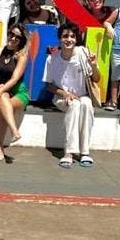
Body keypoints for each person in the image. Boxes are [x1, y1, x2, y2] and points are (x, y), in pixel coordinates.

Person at [44, 23, 101, 168]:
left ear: (76, 39)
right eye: (65, 36)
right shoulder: (52, 59)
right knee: (74, 105)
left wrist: (93, 65)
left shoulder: (83, 54)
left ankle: (85, 152)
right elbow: (48, 85)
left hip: (82, 95)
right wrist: (65, 93)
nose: (69, 39)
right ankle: (69, 152)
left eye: (72, 36)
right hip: (62, 97)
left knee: (86, 104)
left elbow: (96, 79)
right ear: (60, 39)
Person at [0, 24, 29, 161]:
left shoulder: (21, 56)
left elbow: (14, 79)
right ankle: (14, 131)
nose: (13, 38)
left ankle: (0, 146)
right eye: (11, 34)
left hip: (18, 92)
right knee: (3, 99)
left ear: (21, 41)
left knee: (2, 103)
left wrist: (0, 91)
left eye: (17, 37)